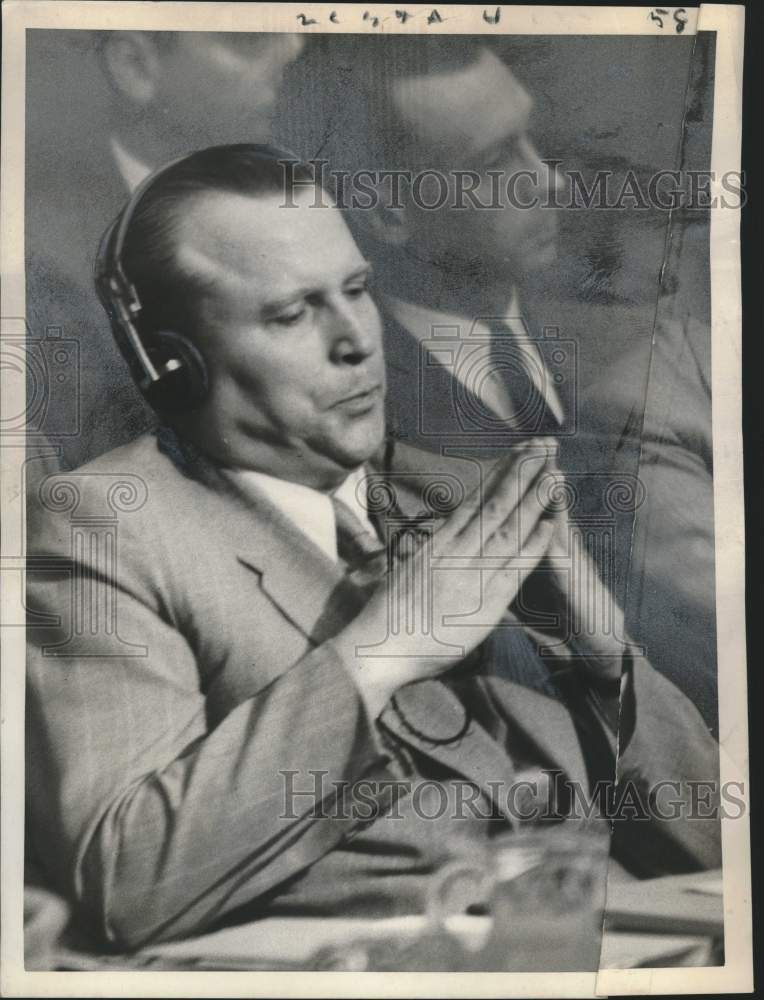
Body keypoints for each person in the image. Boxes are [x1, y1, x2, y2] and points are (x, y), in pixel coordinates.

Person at [26, 145, 720, 956]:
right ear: (171, 363)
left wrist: (610, 668)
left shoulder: (462, 496)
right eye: (291, 314)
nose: (357, 337)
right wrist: (381, 651)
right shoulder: (101, 526)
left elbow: (717, 849)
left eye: (356, 290)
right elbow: (123, 881)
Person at [301, 36, 717, 727]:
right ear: (388, 213)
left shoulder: (632, 347)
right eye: (496, 160)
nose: (549, 180)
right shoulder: (353, 422)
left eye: (534, 139)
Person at [25, 30, 305, 473]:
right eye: (248, 39)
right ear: (134, 65)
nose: (294, 48)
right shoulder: (39, 269)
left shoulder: (314, 201)